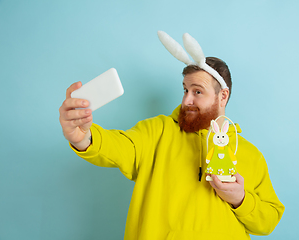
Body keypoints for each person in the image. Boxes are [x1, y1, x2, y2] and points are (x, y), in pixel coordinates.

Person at [59, 51, 284, 239]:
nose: (187, 100)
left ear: (222, 96)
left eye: (197, 92)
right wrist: (83, 138)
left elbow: (268, 221)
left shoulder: (250, 154)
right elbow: (118, 147)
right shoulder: (157, 131)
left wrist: (240, 200)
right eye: (185, 90)